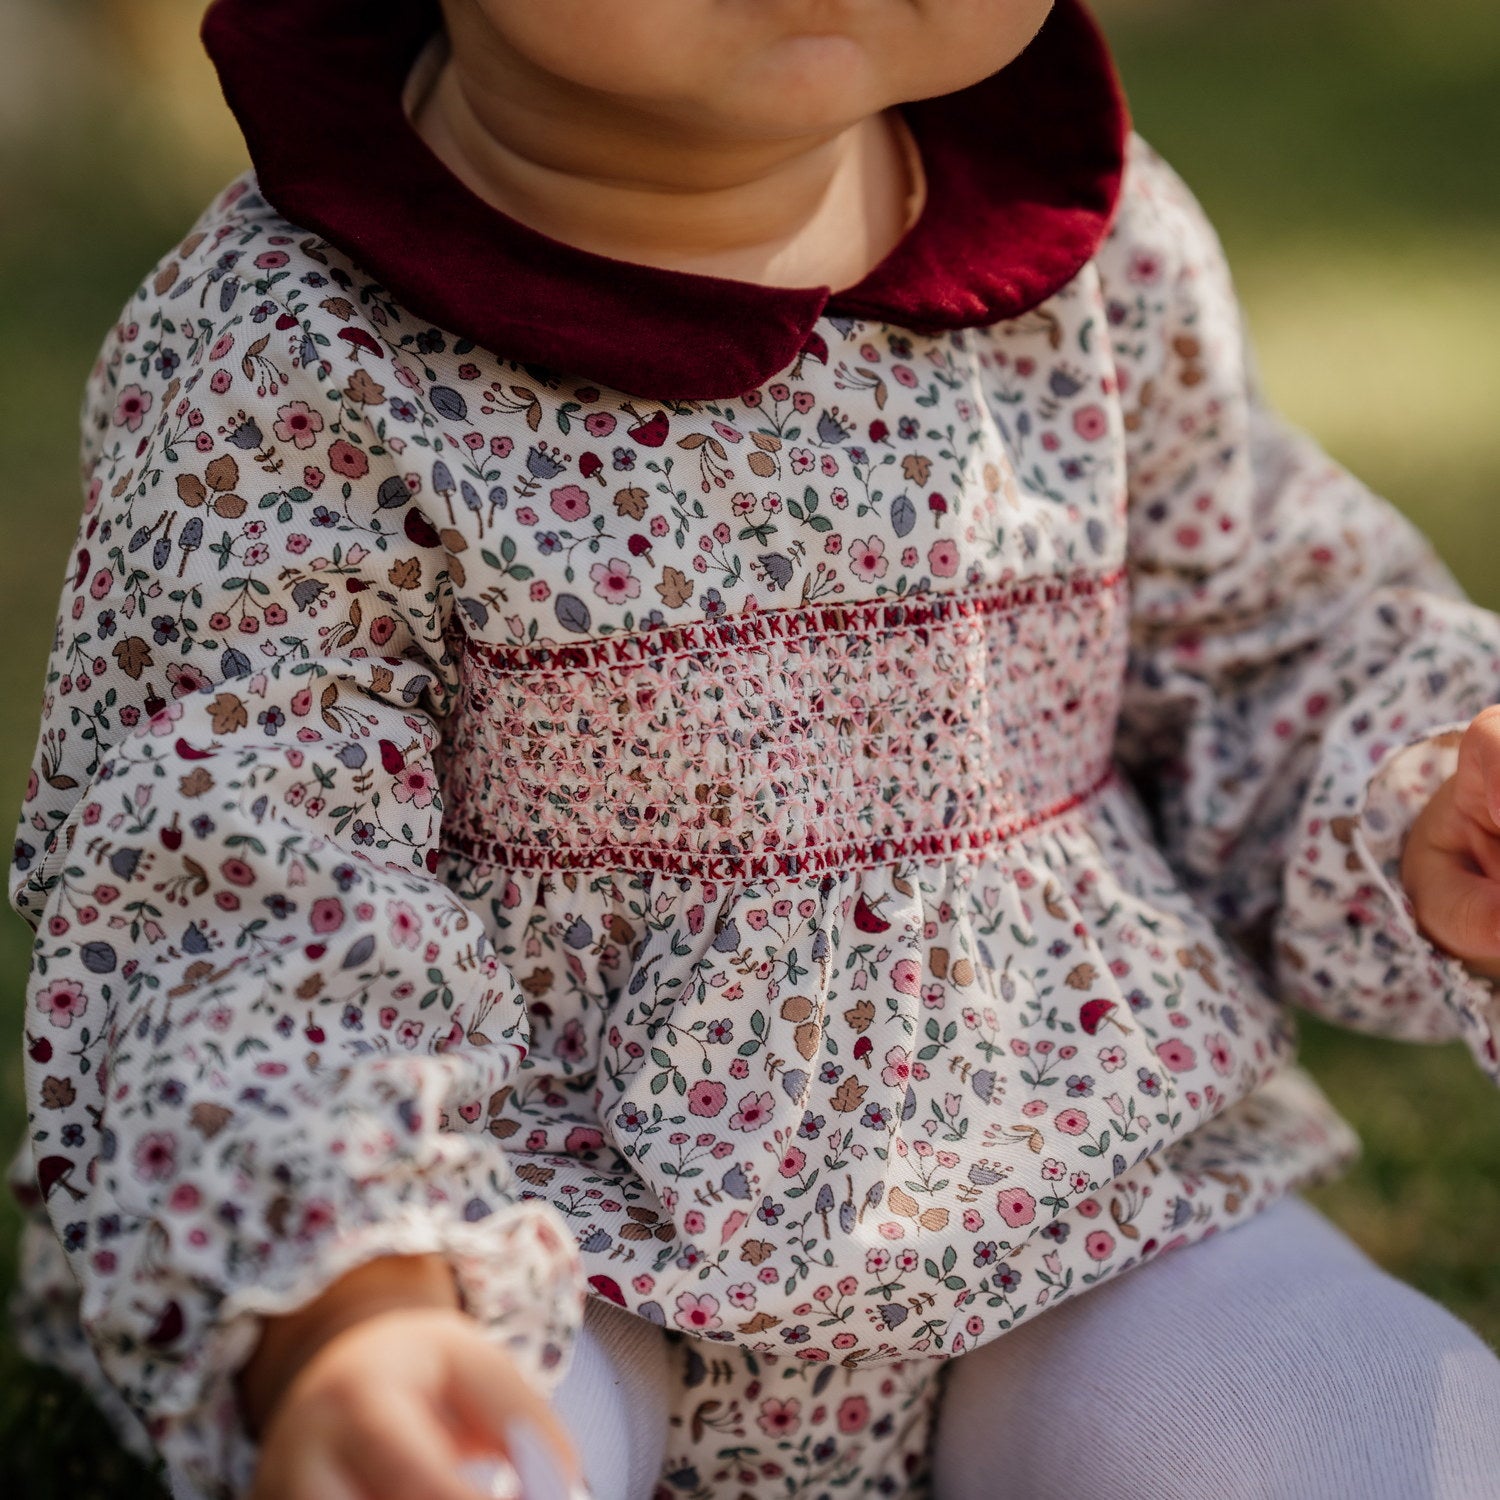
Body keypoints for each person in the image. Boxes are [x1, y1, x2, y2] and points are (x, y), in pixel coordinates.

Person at [9, 1, 1500, 1497]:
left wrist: (1430, 800)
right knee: (453, 1464)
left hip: (1070, 1177)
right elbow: (250, 853)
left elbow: (1258, 648)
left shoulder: (1091, 247)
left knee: (1385, 1437)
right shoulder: (298, 342)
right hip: (538, 1217)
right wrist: (359, 1289)